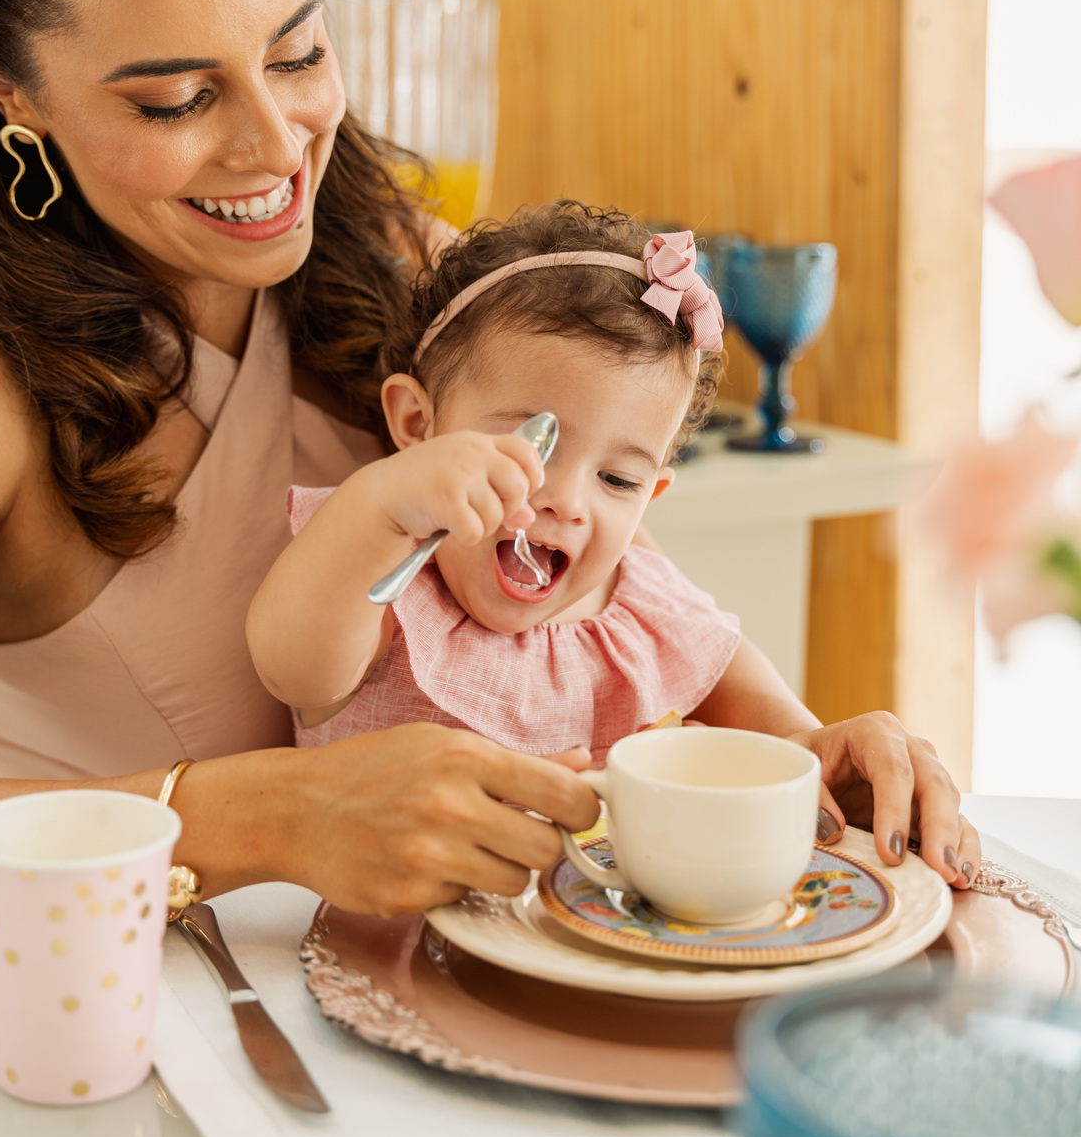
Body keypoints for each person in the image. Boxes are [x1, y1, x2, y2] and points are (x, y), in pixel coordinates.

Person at [0, 0, 975, 965]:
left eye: (298, 52)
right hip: (112, 1043)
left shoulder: (380, 259)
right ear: (0, 82)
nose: (274, 145)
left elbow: (599, 584)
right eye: (178, 97)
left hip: (432, 1010)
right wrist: (260, 820)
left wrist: (796, 743)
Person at [248, 201, 973, 891]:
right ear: (415, 422)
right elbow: (292, 666)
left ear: (652, 497)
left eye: (619, 479)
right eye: (535, 443)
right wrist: (382, 501)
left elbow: (795, 754)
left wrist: (848, 756)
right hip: (394, 945)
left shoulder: (649, 607)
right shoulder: (390, 578)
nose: (567, 499)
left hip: (607, 952)